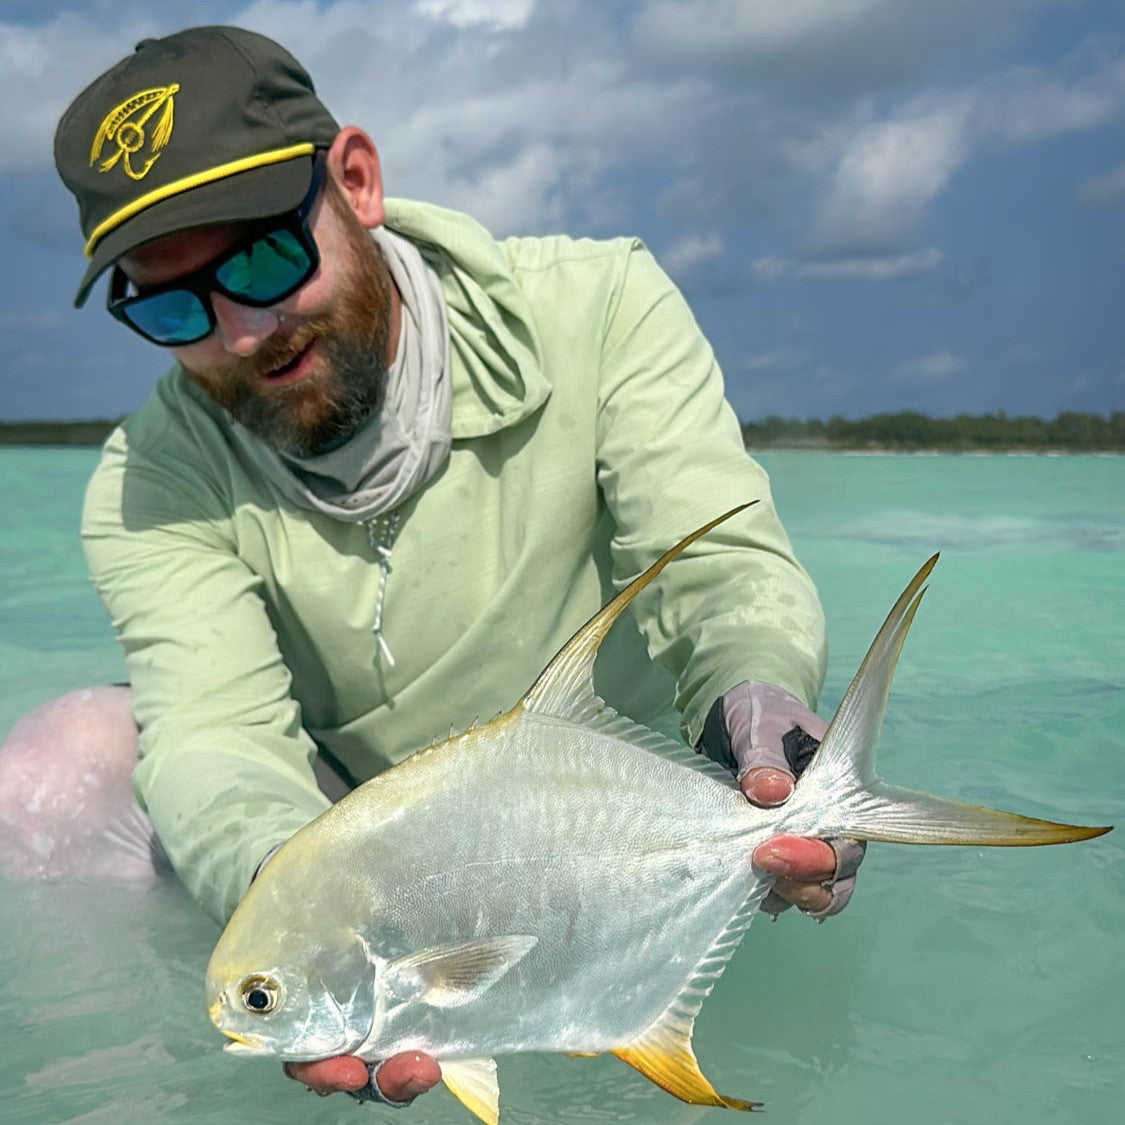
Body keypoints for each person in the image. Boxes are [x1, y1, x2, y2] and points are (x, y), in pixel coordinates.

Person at [1, 25, 864, 1107]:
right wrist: (302, 909)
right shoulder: (152, 473)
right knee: (47, 773)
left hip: (611, 809)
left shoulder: (599, 306)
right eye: (171, 305)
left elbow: (716, 566)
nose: (242, 331)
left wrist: (757, 693)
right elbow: (213, 732)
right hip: (355, 844)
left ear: (356, 183)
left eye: (264, 259)